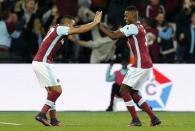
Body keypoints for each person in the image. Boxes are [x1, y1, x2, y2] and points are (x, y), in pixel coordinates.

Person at [32, 11, 102, 127]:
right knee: (57, 91)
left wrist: (91, 23)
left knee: (51, 92)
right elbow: (80, 29)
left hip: (40, 63)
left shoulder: (56, 29)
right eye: (71, 25)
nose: (72, 28)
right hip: (43, 63)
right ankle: (42, 114)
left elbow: (79, 27)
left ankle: (53, 119)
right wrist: (95, 22)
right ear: (66, 23)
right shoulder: (61, 29)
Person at [99, 6, 161, 127]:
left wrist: (98, 24)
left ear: (133, 16)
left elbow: (113, 35)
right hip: (146, 65)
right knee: (134, 92)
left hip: (139, 65)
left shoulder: (132, 27)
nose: (124, 17)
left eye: (126, 15)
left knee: (123, 90)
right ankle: (153, 118)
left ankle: (135, 120)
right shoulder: (140, 26)